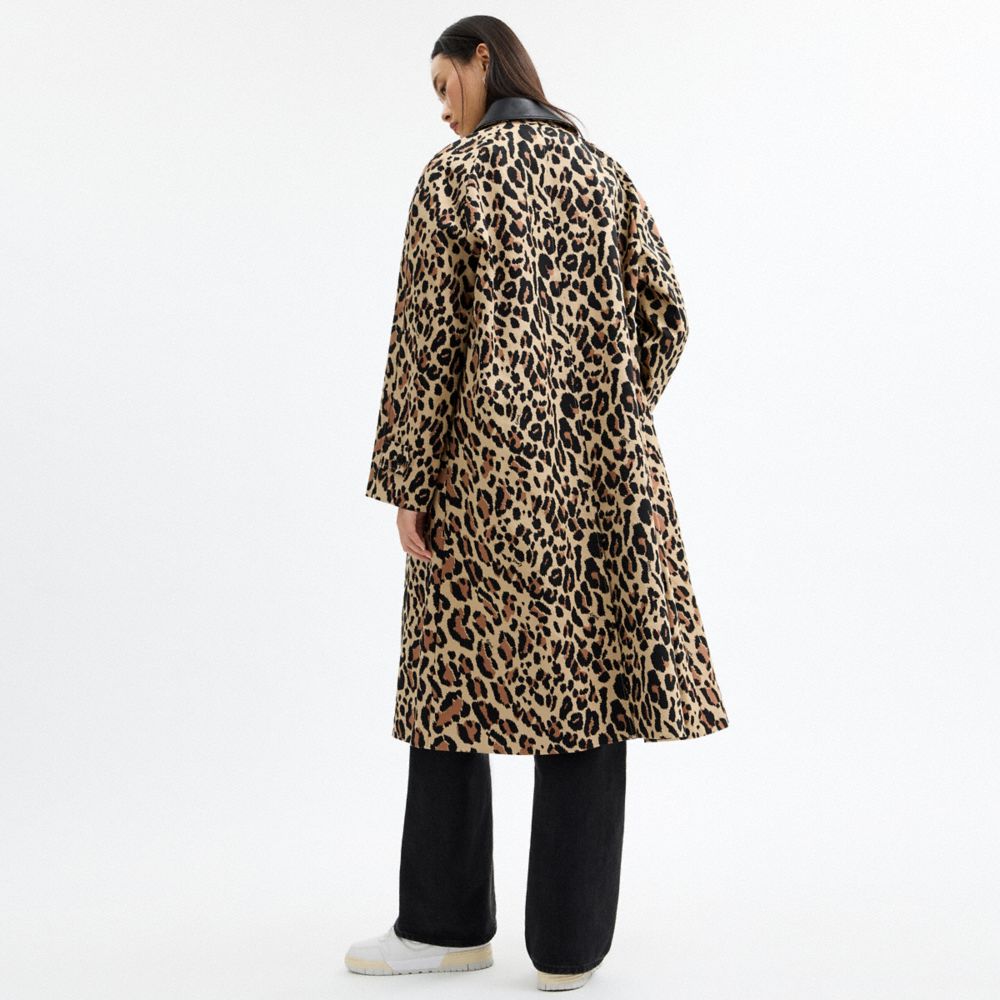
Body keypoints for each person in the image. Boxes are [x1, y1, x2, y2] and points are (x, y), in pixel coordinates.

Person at [347, 14, 730, 992]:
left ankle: (443, 925)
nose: (444, 112)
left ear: (483, 59)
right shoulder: (603, 173)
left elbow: (425, 344)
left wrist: (407, 482)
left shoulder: (453, 180)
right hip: (599, 485)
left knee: (448, 684)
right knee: (587, 685)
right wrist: (606, 408)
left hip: (476, 480)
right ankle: (568, 950)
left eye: (445, 86)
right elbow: (667, 314)